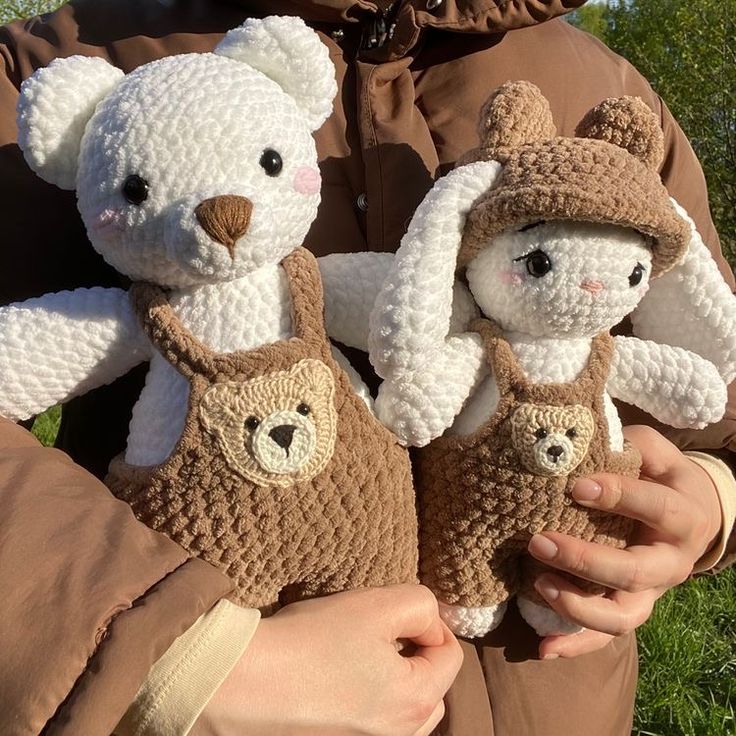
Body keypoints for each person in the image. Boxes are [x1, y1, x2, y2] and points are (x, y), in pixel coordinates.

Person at [0, 1, 733, 735]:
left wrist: (711, 496)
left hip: (557, 690)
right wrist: (168, 659)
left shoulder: (603, 83)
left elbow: (721, 394)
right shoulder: (57, 60)